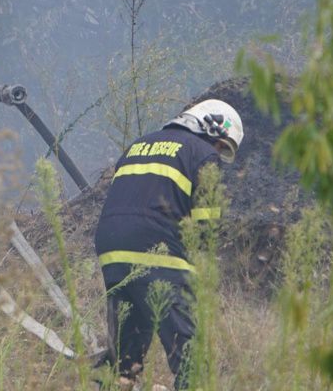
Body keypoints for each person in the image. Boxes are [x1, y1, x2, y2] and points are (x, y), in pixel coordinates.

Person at [93, 99, 243, 390]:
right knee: (189, 351)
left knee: (126, 346)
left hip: (111, 250)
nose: (219, 154)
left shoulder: (138, 145)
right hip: (157, 252)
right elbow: (204, 227)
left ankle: (107, 382)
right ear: (211, 127)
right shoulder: (202, 155)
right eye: (222, 147)